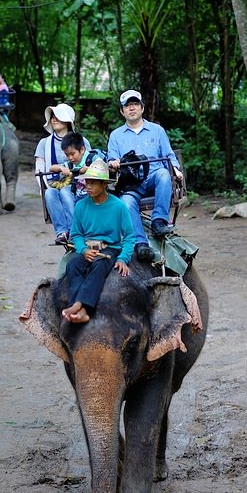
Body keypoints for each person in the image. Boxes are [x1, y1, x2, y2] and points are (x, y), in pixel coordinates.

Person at [107, 89, 183, 262]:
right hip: (131, 182)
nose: (131, 108)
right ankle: (140, 243)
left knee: (164, 174)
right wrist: (113, 162)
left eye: (135, 104)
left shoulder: (157, 130)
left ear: (142, 108)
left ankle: (159, 221)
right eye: (127, 105)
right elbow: (111, 158)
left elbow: (169, 156)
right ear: (122, 111)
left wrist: (176, 170)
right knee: (126, 202)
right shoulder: (116, 135)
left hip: (154, 177)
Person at [61, 158, 136, 324]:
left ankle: (81, 306)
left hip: (110, 249)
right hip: (88, 248)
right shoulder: (81, 205)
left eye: (93, 183)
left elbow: (130, 236)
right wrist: (83, 250)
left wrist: (123, 258)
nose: (88, 187)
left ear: (104, 185)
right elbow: (76, 234)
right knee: (72, 265)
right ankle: (79, 308)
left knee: (99, 265)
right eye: (87, 182)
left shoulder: (119, 206)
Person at [34, 104, 90, 244]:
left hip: (78, 184)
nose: (54, 119)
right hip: (54, 182)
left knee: (65, 192)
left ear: (67, 120)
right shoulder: (44, 143)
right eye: (52, 116)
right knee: (49, 193)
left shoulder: (81, 141)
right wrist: (43, 187)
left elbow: (89, 162)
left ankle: (74, 230)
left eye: (58, 116)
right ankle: (62, 232)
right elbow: (40, 168)